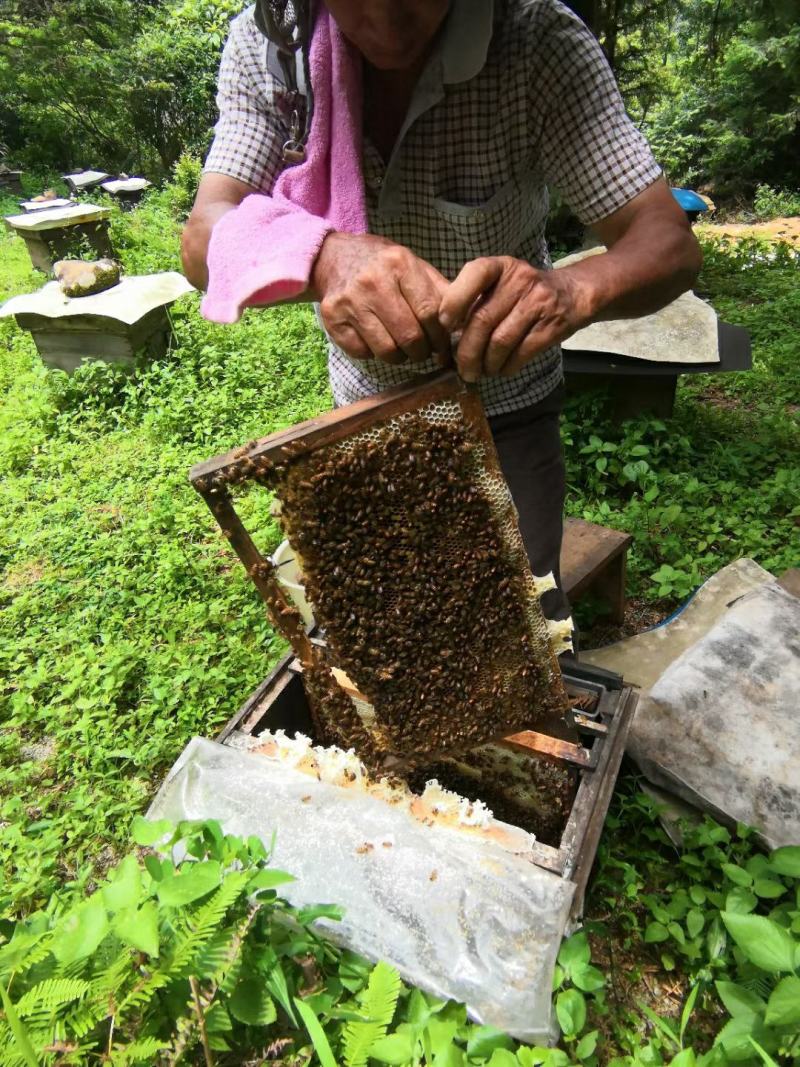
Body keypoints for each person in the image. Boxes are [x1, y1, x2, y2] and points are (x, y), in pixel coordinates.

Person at [182, 0, 702, 625]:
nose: (393, 15)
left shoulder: (538, 41)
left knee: (518, 621)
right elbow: (203, 239)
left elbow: (668, 242)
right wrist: (326, 258)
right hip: (363, 414)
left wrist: (571, 290)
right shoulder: (273, 48)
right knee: (387, 615)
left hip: (508, 408)